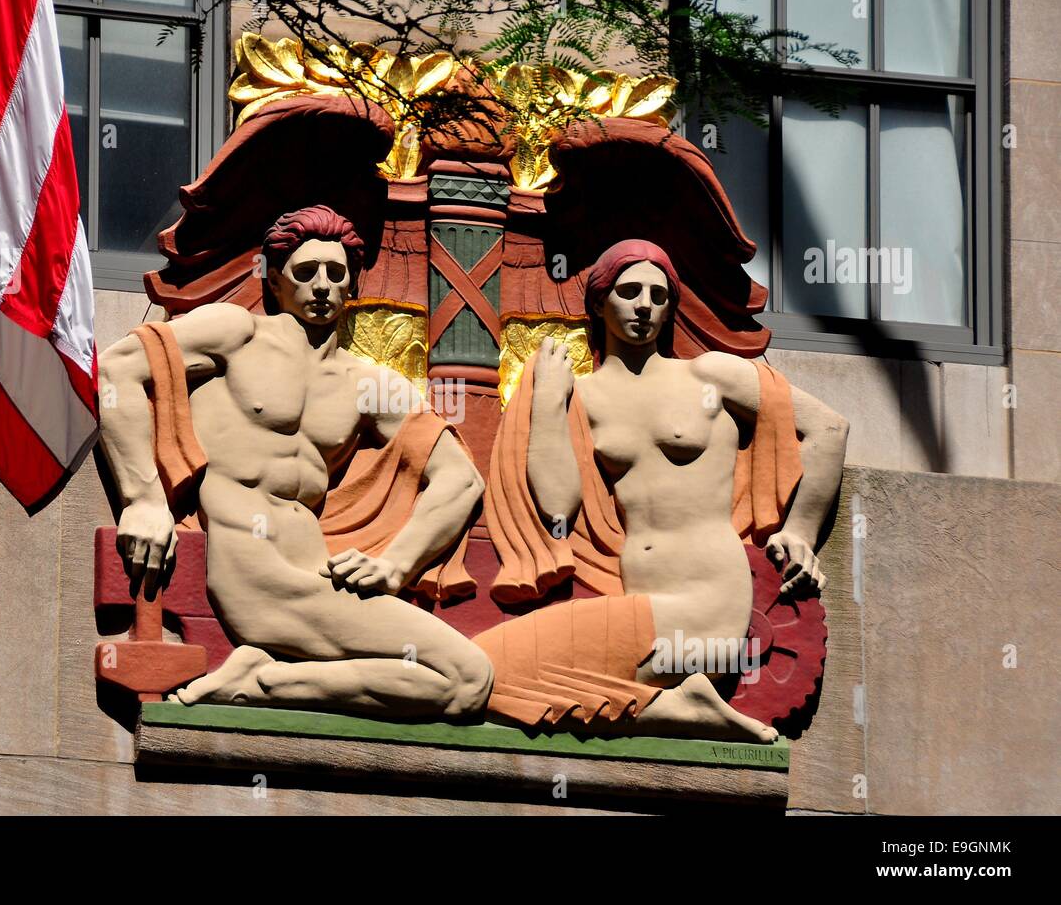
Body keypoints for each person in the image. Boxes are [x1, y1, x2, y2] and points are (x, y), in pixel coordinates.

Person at [97, 205, 493, 719]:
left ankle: (263, 679)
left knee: (466, 681)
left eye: (337, 273)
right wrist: (143, 499)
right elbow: (116, 370)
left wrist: (395, 565)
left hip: (321, 572)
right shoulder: (237, 334)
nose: (323, 285)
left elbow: (461, 477)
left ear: (353, 285)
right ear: (275, 280)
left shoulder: (367, 384)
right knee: (465, 679)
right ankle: (261, 682)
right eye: (306, 273)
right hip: (254, 567)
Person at [475, 239, 849, 742]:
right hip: (638, 599)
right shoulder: (583, 395)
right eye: (629, 291)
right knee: (489, 674)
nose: (645, 304)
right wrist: (547, 399)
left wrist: (800, 531)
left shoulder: (710, 376)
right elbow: (558, 506)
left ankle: (681, 706)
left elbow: (827, 428)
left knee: (488, 671)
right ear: (599, 303)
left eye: (658, 294)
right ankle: (678, 707)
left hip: (706, 603)